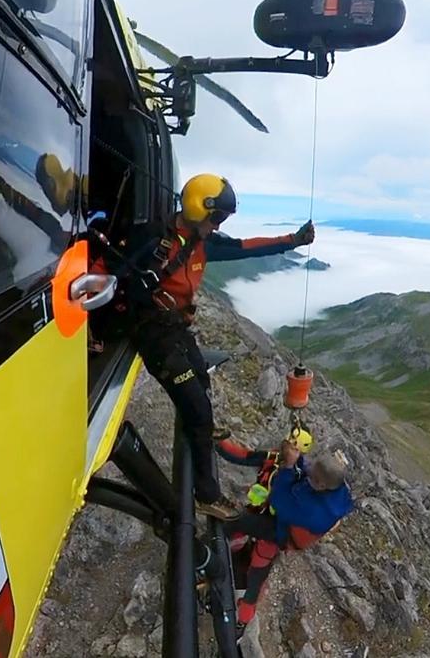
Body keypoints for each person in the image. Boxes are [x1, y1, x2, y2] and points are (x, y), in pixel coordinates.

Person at [128, 173, 314, 519]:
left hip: (176, 327)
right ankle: (207, 494)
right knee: (197, 413)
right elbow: (110, 270)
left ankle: (204, 427)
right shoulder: (154, 240)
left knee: (202, 376)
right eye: (217, 219)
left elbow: (245, 247)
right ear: (199, 209)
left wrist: (294, 240)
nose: (217, 227)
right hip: (151, 333)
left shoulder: (203, 241)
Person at [223, 447, 353, 629]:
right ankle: (243, 618)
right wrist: (297, 458)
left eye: (312, 476)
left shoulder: (317, 512)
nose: (308, 474)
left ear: (321, 485)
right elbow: (308, 469)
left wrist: (288, 467)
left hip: (281, 532)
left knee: (242, 528)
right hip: (285, 522)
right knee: (257, 566)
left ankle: (241, 622)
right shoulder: (331, 486)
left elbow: (279, 501)